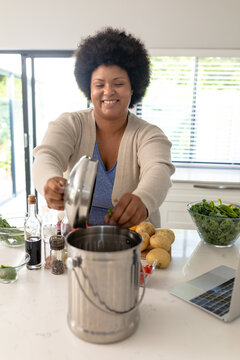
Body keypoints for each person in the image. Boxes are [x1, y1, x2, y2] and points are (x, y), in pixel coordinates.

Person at [32, 27, 175, 228]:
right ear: (88, 88)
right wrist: (49, 182)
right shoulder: (70, 124)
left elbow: (158, 170)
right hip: (74, 239)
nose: (108, 91)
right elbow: (47, 155)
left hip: (134, 243)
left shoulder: (149, 134)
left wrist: (143, 199)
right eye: (99, 85)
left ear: (133, 87)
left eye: (118, 83)